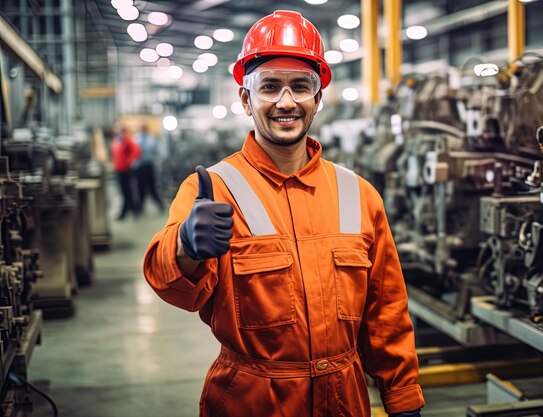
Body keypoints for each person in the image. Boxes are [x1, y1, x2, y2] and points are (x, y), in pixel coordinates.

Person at [144, 10, 424, 417]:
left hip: (344, 400)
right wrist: (185, 246)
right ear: (246, 99)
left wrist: (402, 396)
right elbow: (169, 284)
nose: (286, 102)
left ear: (318, 98)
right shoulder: (212, 190)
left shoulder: (358, 195)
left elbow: (386, 312)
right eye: (270, 88)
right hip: (252, 401)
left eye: (300, 87)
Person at [111, 124, 141, 220]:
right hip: (119, 170)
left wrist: (129, 161)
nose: (118, 132)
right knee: (125, 192)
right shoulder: (117, 141)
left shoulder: (127, 141)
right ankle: (132, 210)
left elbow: (137, 152)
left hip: (126, 170)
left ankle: (127, 211)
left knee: (127, 191)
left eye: (120, 131)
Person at [135, 123, 165, 213]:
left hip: (149, 165)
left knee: (152, 187)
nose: (143, 129)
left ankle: (160, 204)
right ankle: (140, 208)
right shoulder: (136, 138)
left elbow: (157, 151)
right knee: (140, 188)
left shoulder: (151, 139)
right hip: (139, 166)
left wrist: (156, 160)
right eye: (141, 128)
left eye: (144, 127)